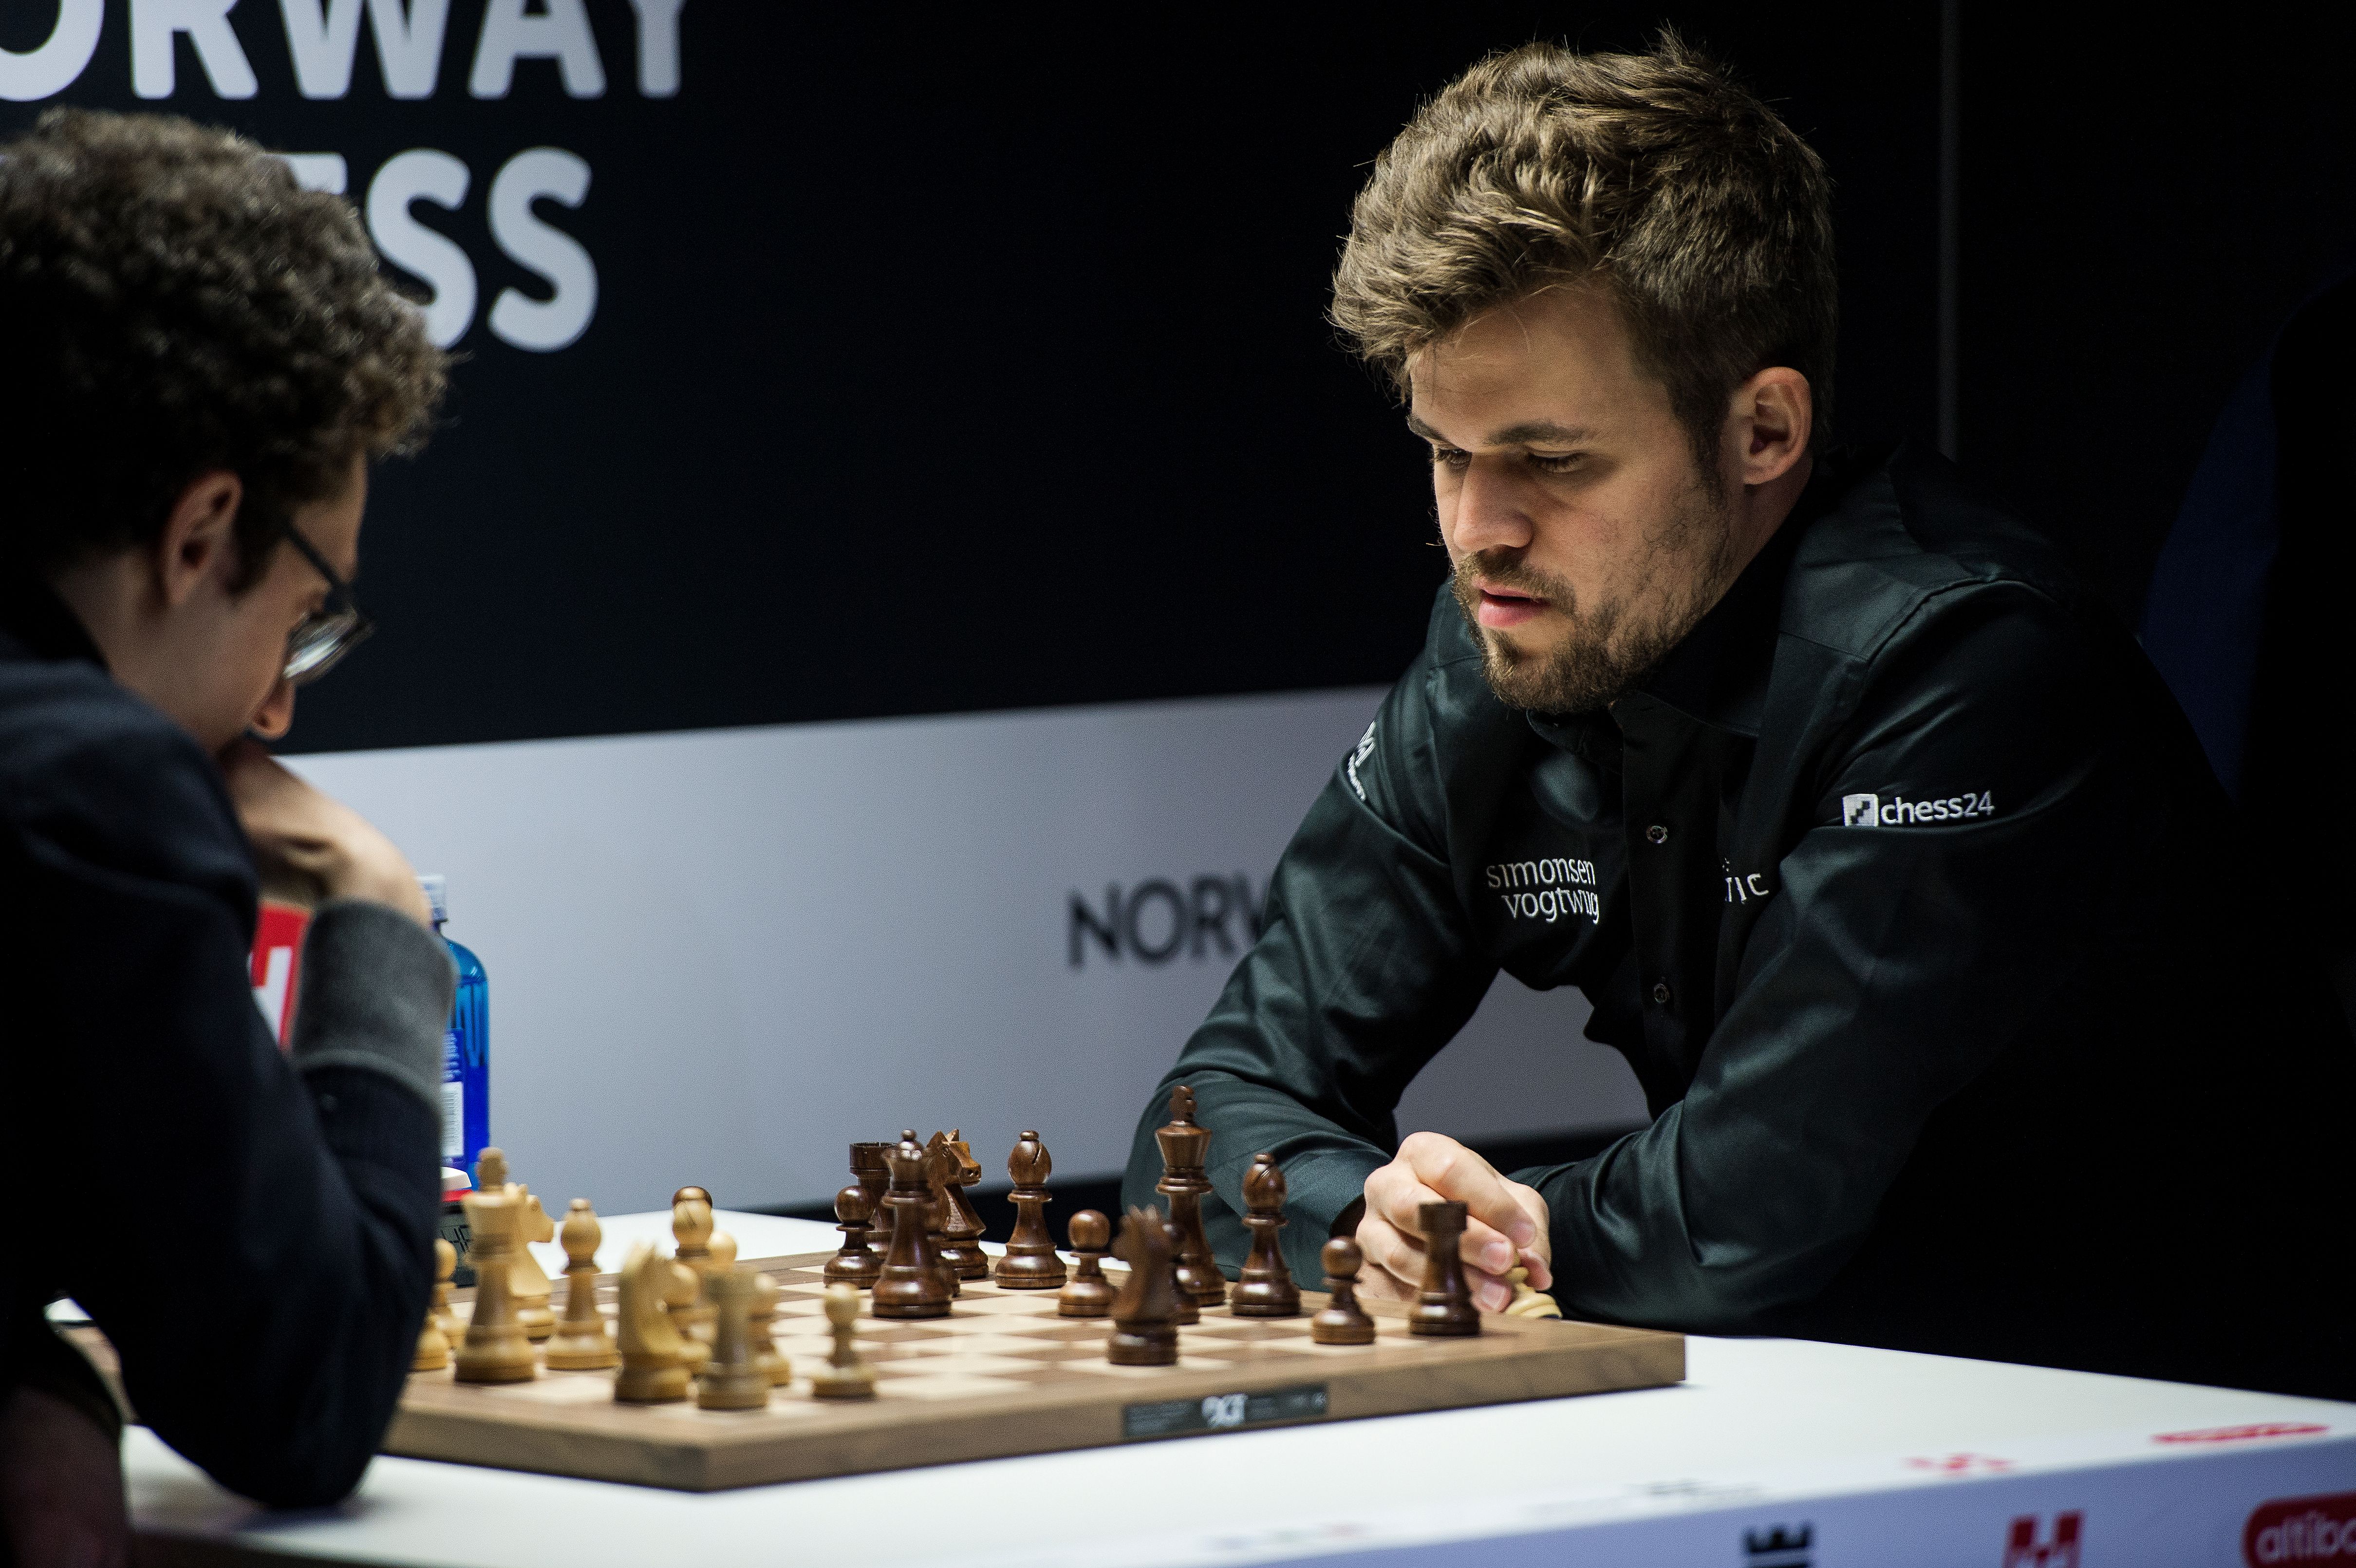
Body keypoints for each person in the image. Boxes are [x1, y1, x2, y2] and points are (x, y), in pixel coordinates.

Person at [1122, 37, 2355, 1398]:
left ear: (1764, 430)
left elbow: (1746, 1209)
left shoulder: (1966, 663)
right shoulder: (1507, 638)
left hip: (2183, 1423)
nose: (1478, 530)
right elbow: (1211, 1111)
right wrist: (1370, 1225)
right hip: (1818, 1402)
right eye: (1445, 453)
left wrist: (1485, 1241)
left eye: (1550, 459)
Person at [0, 110, 454, 1564]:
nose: (276, 703)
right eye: (307, 610)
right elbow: (299, 1396)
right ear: (202, 530)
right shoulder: (91, 791)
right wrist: (372, 896)